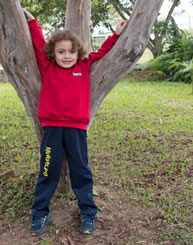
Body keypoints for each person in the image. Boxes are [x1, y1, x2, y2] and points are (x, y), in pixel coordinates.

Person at [23, 8, 127, 236]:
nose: (67, 56)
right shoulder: (48, 67)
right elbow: (38, 42)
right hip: (52, 130)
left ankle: (88, 212)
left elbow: (104, 51)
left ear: (78, 52)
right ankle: (40, 211)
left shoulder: (84, 65)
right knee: (48, 169)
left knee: (81, 170)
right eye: (61, 52)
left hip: (76, 129)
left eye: (71, 51)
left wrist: (117, 34)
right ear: (53, 53)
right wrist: (32, 22)